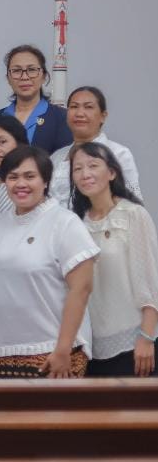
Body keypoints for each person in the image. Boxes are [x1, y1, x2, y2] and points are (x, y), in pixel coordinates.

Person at [0, 146, 98, 378]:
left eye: (29, 176)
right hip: (2, 354)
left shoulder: (64, 223)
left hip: (56, 352)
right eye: (13, 177)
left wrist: (63, 349)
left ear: (45, 181)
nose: (20, 184)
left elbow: (82, 289)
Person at [70, 142, 157, 377]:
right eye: (77, 169)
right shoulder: (75, 224)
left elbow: (151, 281)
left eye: (93, 165)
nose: (85, 174)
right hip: (91, 349)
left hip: (135, 344)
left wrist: (147, 338)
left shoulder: (133, 215)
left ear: (111, 172)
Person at [0, 45, 72, 183]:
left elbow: (63, 165)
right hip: (0, 193)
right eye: (16, 71)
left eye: (31, 70)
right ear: (8, 78)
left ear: (44, 76)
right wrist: (1, 189)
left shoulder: (61, 118)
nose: (24, 77)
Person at [50, 86, 142, 205]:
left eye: (88, 107)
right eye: (74, 107)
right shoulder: (56, 157)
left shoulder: (118, 153)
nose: (80, 113)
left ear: (103, 116)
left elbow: (132, 204)